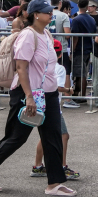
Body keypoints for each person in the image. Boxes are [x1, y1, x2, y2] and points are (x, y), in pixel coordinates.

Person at [0, 0, 75, 196]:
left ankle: (54, 183)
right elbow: (21, 68)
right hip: (27, 93)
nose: (51, 14)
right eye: (47, 12)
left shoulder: (46, 33)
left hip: (48, 94)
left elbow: (46, 68)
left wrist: (60, 89)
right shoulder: (27, 35)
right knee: (16, 137)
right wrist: (29, 96)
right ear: (36, 14)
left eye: (51, 11)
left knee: (53, 137)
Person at [32, 39, 80, 181]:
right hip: (52, 106)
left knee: (45, 136)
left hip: (40, 103)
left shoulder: (39, 66)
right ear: (59, 55)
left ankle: (38, 165)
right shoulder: (59, 68)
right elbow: (56, 87)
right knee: (64, 135)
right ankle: (62, 166)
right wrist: (68, 90)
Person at [68, 0, 97, 106]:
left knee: (80, 73)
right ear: (87, 6)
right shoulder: (91, 19)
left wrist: (72, 50)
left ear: (78, 6)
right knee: (84, 72)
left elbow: (75, 37)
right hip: (88, 48)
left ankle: (78, 95)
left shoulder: (76, 20)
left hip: (79, 49)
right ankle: (82, 94)